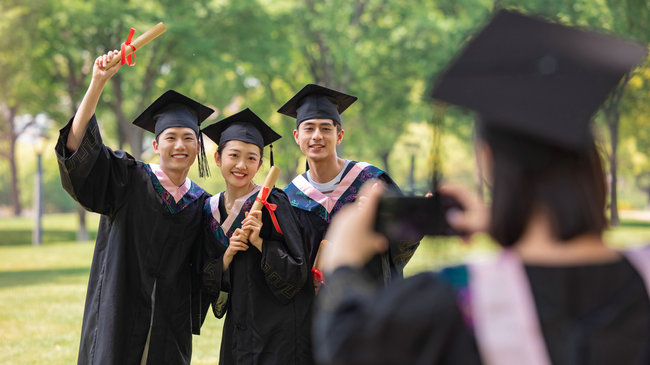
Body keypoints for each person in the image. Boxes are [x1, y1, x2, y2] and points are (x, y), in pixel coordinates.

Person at [312, 10, 650, 365]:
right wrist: (503, 223)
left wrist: (343, 263)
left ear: (487, 160)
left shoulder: (455, 304)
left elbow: (349, 343)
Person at [55, 50, 214, 364]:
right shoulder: (128, 179)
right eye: (170, 137)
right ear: (156, 145)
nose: (180, 145)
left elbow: (208, 272)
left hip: (170, 331)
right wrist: (97, 84)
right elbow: (77, 152)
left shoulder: (201, 204)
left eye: (188, 138)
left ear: (198, 146)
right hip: (118, 318)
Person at [200, 108, 314, 364]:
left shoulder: (274, 203)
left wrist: (260, 242)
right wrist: (227, 255)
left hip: (278, 330)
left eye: (251, 158)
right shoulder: (209, 209)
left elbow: (297, 272)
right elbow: (205, 275)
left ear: (260, 165)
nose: (241, 165)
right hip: (239, 327)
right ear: (218, 158)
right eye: (234, 156)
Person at [278, 84, 420, 288]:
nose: (317, 135)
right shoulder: (290, 197)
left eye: (325, 128)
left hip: (370, 299)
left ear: (339, 136)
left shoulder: (372, 181)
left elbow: (402, 241)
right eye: (309, 128)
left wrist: (381, 218)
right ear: (296, 136)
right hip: (315, 312)